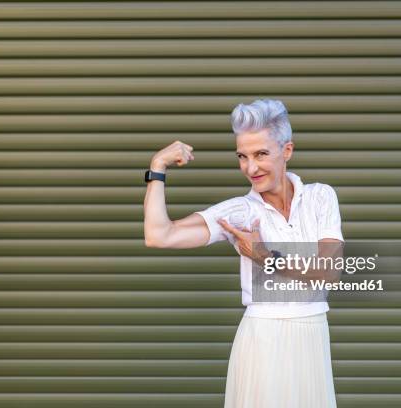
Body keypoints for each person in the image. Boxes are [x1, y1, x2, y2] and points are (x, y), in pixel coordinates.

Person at [143, 99, 343, 407]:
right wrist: (157, 169)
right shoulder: (239, 211)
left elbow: (329, 272)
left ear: (286, 151)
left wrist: (264, 255)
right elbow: (159, 235)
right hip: (263, 339)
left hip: (313, 335)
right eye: (243, 156)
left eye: (261, 154)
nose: (251, 167)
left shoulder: (320, 197)